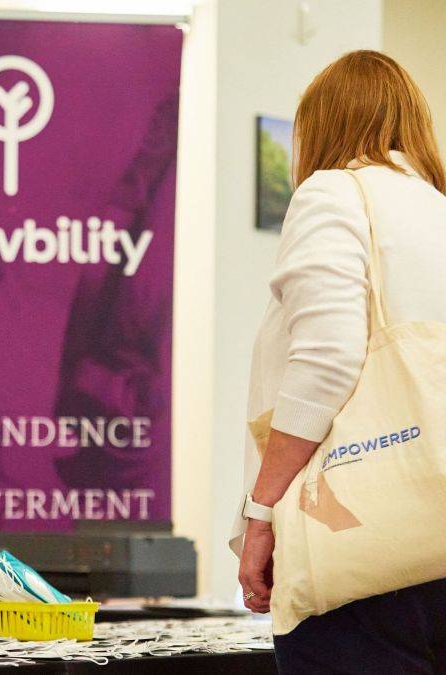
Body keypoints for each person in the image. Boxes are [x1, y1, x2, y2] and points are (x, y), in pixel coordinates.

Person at [231, 51, 446, 671]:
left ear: (321, 126)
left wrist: (260, 513)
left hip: (364, 562)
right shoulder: (436, 208)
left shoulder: (333, 193)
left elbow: (326, 363)